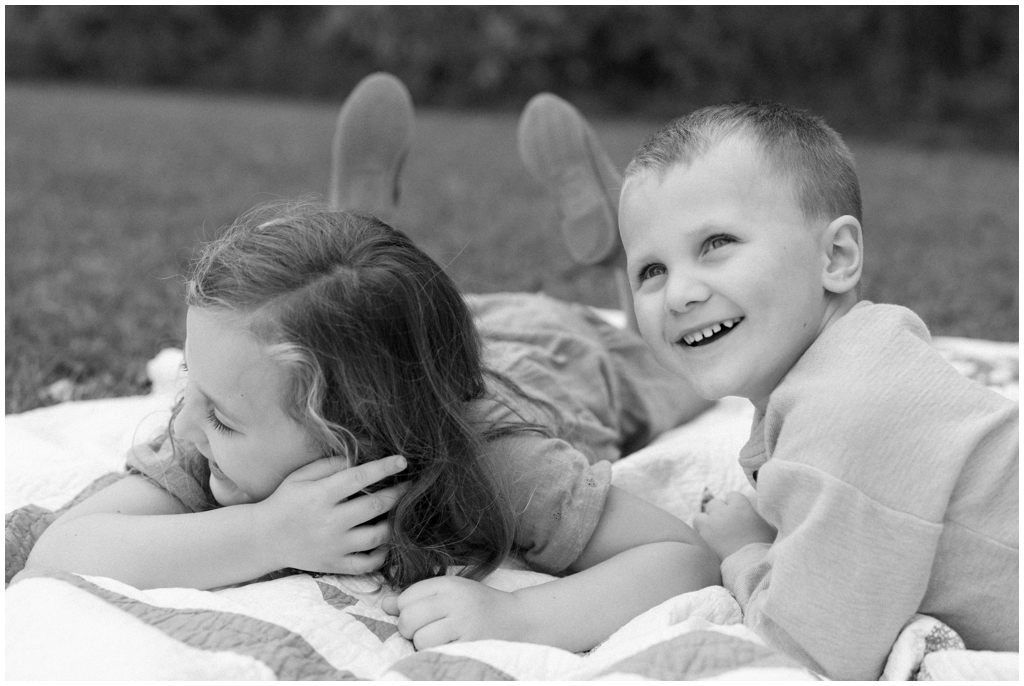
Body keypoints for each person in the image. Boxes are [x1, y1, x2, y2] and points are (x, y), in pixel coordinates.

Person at [24, 73, 720, 654]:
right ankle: (353, 257)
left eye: (223, 417)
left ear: (353, 432)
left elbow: (681, 557)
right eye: (189, 386)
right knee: (368, 317)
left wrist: (519, 619)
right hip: (441, 337)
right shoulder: (214, 431)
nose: (189, 425)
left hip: (567, 356)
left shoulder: (497, 462)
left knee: (668, 356)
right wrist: (266, 532)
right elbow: (64, 550)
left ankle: (625, 253)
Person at [594, 99, 1018, 679]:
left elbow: (811, 650)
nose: (679, 294)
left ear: (836, 257)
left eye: (716, 243)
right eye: (650, 270)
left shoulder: (846, 412)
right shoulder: (857, 362)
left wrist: (745, 552)